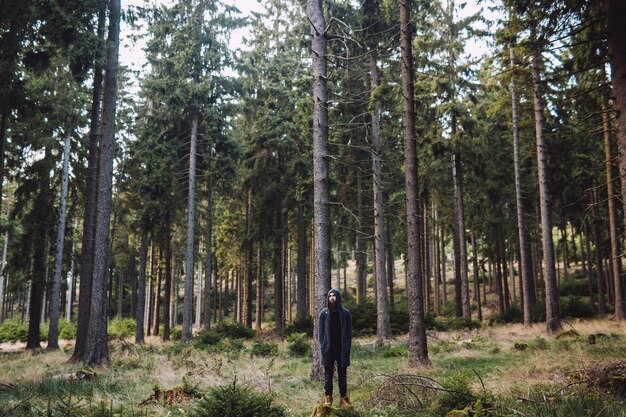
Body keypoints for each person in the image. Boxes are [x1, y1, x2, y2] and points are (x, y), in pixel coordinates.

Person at [318, 288, 352, 407]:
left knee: (342, 374)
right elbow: (320, 333)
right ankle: (328, 398)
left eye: (334, 295)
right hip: (328, 349)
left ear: (338, 297)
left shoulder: (345, 313)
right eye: (330, 296)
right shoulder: (323, 314)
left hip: (342, 349)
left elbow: (349, 332)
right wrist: (323, 345)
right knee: (328, 375)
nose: (332, 298)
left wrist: (347, 347)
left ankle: (343, 398)